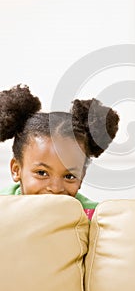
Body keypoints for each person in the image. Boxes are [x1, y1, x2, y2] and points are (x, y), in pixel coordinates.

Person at [0, 84, 120, 221]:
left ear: (82, 176)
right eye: (41, 173)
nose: (56, 188)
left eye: (69, 176)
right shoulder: (3, 209)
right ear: (16, 170)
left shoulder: (94, 218)